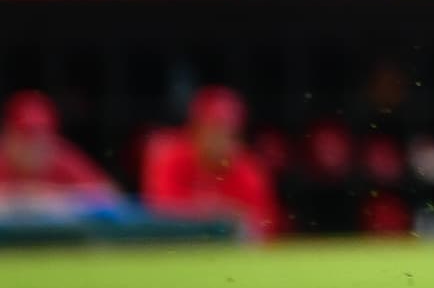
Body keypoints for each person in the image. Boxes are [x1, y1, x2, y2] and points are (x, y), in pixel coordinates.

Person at [140, 86, 278, 238]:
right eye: (214, 129)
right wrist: (214, 214)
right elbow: (159, 213)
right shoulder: (172, 156)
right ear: (196, 129)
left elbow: (263, 227)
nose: (220, 139)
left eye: (228, 132)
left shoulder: (247, 170)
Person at [0, 91, 126, 219]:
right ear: (9, 134)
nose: (35, 145)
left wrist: (52, 197)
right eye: (26, 136)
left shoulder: (60, 154)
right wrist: (21, 196)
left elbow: (113, 198)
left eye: (43, 136)